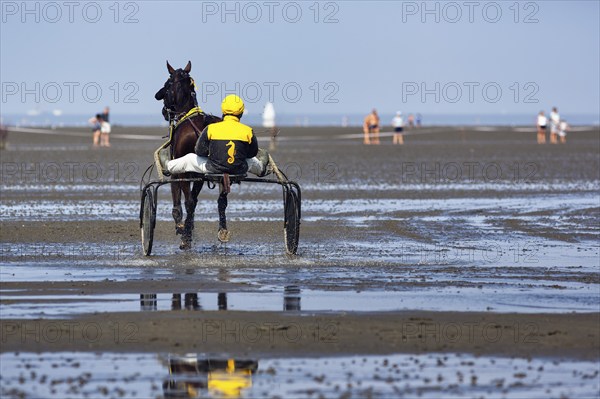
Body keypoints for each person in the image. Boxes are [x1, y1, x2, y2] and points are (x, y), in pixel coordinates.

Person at [163, 95, 270, 177]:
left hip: (212, 168)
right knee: (252, 161)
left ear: (223, 111)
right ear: (241, 113)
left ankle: (168, 166)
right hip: (239, 169)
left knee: (189, 159)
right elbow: (252, 153)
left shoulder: (211, 129)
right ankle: (261, 169)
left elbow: (199, 151)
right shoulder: (248, 131)